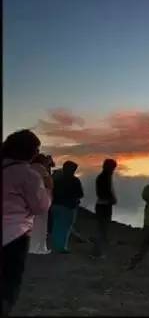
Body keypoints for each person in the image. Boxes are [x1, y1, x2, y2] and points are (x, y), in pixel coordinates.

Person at [2, 130, 52, 315]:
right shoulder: (28, 175)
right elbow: (40, 207)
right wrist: (48, 188)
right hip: (13, 235)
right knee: (8, 283)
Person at [50, 160, 83, 253]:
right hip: (68, 207)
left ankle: (55, 245)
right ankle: (61, 248)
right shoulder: (75, 180)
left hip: (55, 205)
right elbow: (80, 194)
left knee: (56, 226)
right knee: (65, 227)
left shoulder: (56, 179)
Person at [28, 154, 55, 255]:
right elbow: (50, 184)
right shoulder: (40, 168)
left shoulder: (29, 167)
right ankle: (38, 247)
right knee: (41, 224)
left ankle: (31, 245)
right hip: (40, 199)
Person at [91, 158, 118, 259]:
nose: (113, 170)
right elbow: (104, 193)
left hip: (102, 205)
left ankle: (98, 251)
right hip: (104, 206)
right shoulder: (105, 177)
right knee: (102, 229)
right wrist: (112, 199)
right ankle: (97, 252)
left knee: (102, 229)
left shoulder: (103, 177)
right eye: (113, 167)